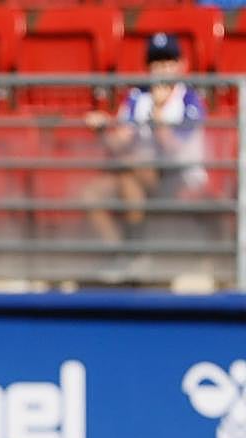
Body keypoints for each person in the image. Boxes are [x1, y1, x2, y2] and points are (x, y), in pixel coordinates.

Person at [83, 32, 207, 277]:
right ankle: (123, 254)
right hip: (136, 173)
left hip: (177, 175)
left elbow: (175, 150)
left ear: (182, 65)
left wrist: (159, 114)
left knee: (132, 166)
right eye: (156, 62)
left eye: (168, 61)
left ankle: (134, 254)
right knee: (93, 194)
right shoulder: (137, 97)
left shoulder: (190, 100)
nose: (162, 69)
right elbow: (120, 142)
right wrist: (102, 128)